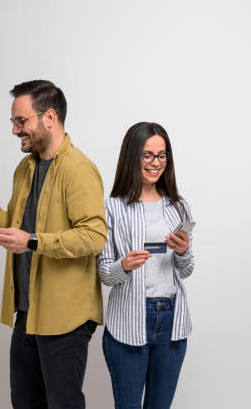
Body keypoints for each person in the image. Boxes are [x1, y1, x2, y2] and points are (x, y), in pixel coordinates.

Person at [0, 80, 107, 409]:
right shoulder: (25, 168)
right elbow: (19, 230)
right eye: (13, 122)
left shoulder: (79, 169)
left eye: (21, 121)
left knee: (62, 404)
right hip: (28, 312)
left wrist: (32, 240)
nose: (15, 131)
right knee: (25, 402)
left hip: (66, 317)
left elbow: (95, 235)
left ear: (50, 117)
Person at [98, 122, 194, 409]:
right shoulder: (111, 207)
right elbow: (104, 273)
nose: (156, 163)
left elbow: (186, 270)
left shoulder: (179, 206)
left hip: (172, 321)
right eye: (148, 155)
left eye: (162, 155)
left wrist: (183, 252)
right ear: (132, 156)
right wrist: (124, 266)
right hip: (128, 321)